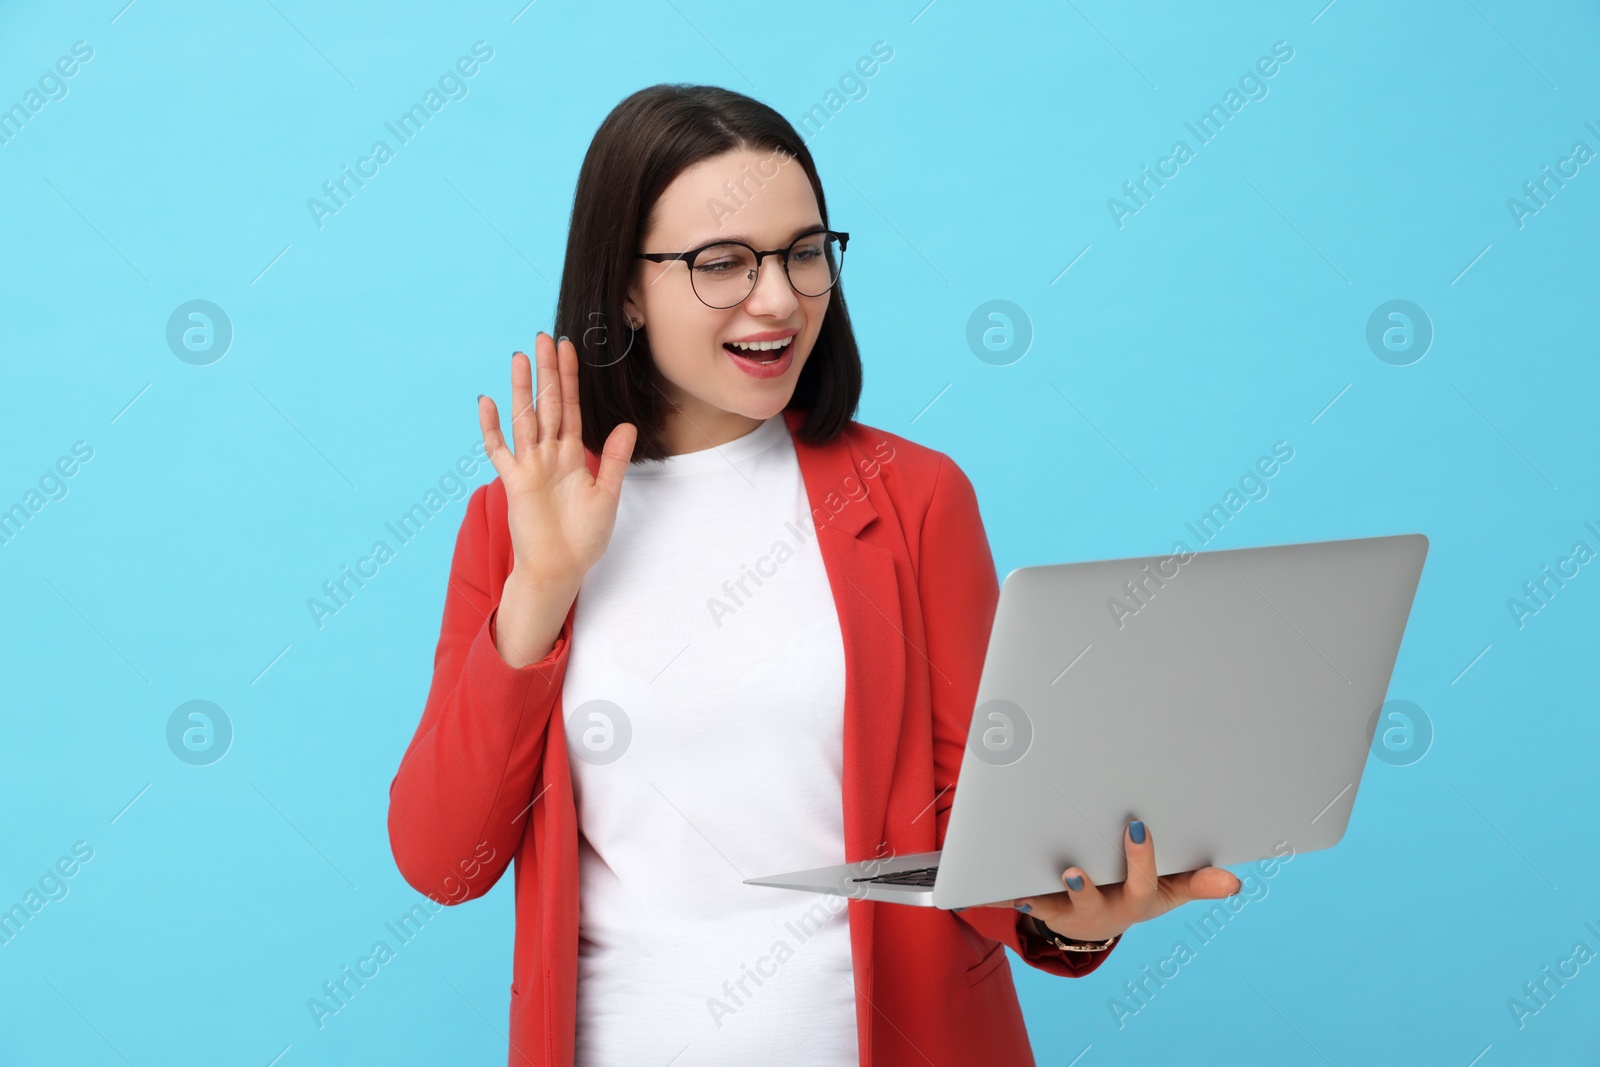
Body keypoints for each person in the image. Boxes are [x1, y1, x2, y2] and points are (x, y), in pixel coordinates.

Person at [386, 83, 1242, 1067]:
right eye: (722, 263)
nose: (779, 298)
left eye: (802, 251)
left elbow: (980, 823)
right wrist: (540, 583)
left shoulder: (914, 497)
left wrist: (1076, 915)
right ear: (624, 285)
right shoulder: (520, 518)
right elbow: (442, 857)